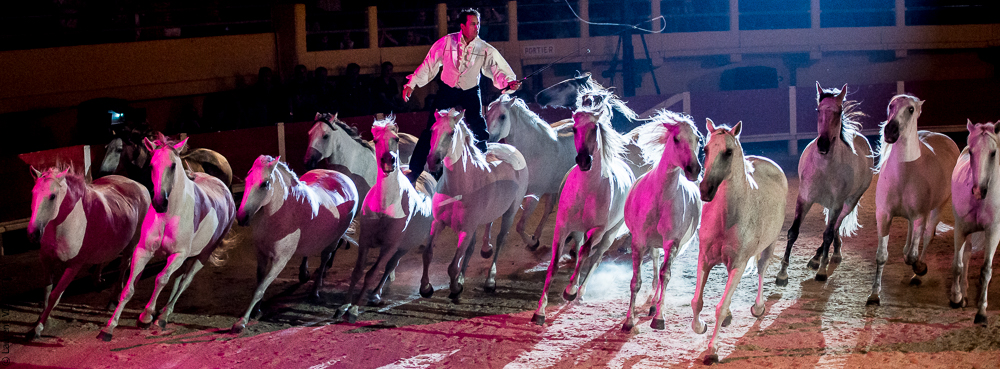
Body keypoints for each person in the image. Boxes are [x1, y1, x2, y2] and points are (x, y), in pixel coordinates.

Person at [402, 8, 521, 183]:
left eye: (478, 23)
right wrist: (411, 83)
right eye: (473, 24)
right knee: (431, 130)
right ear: (462, 26)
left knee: (479, 130)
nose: (477, 27)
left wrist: (508, 82)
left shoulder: (484, 48)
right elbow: (429, 64)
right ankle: (414, 171)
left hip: (470, 92)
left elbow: (498, 69)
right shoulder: (446, 42)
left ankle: (481, 171)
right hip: (447, 91)